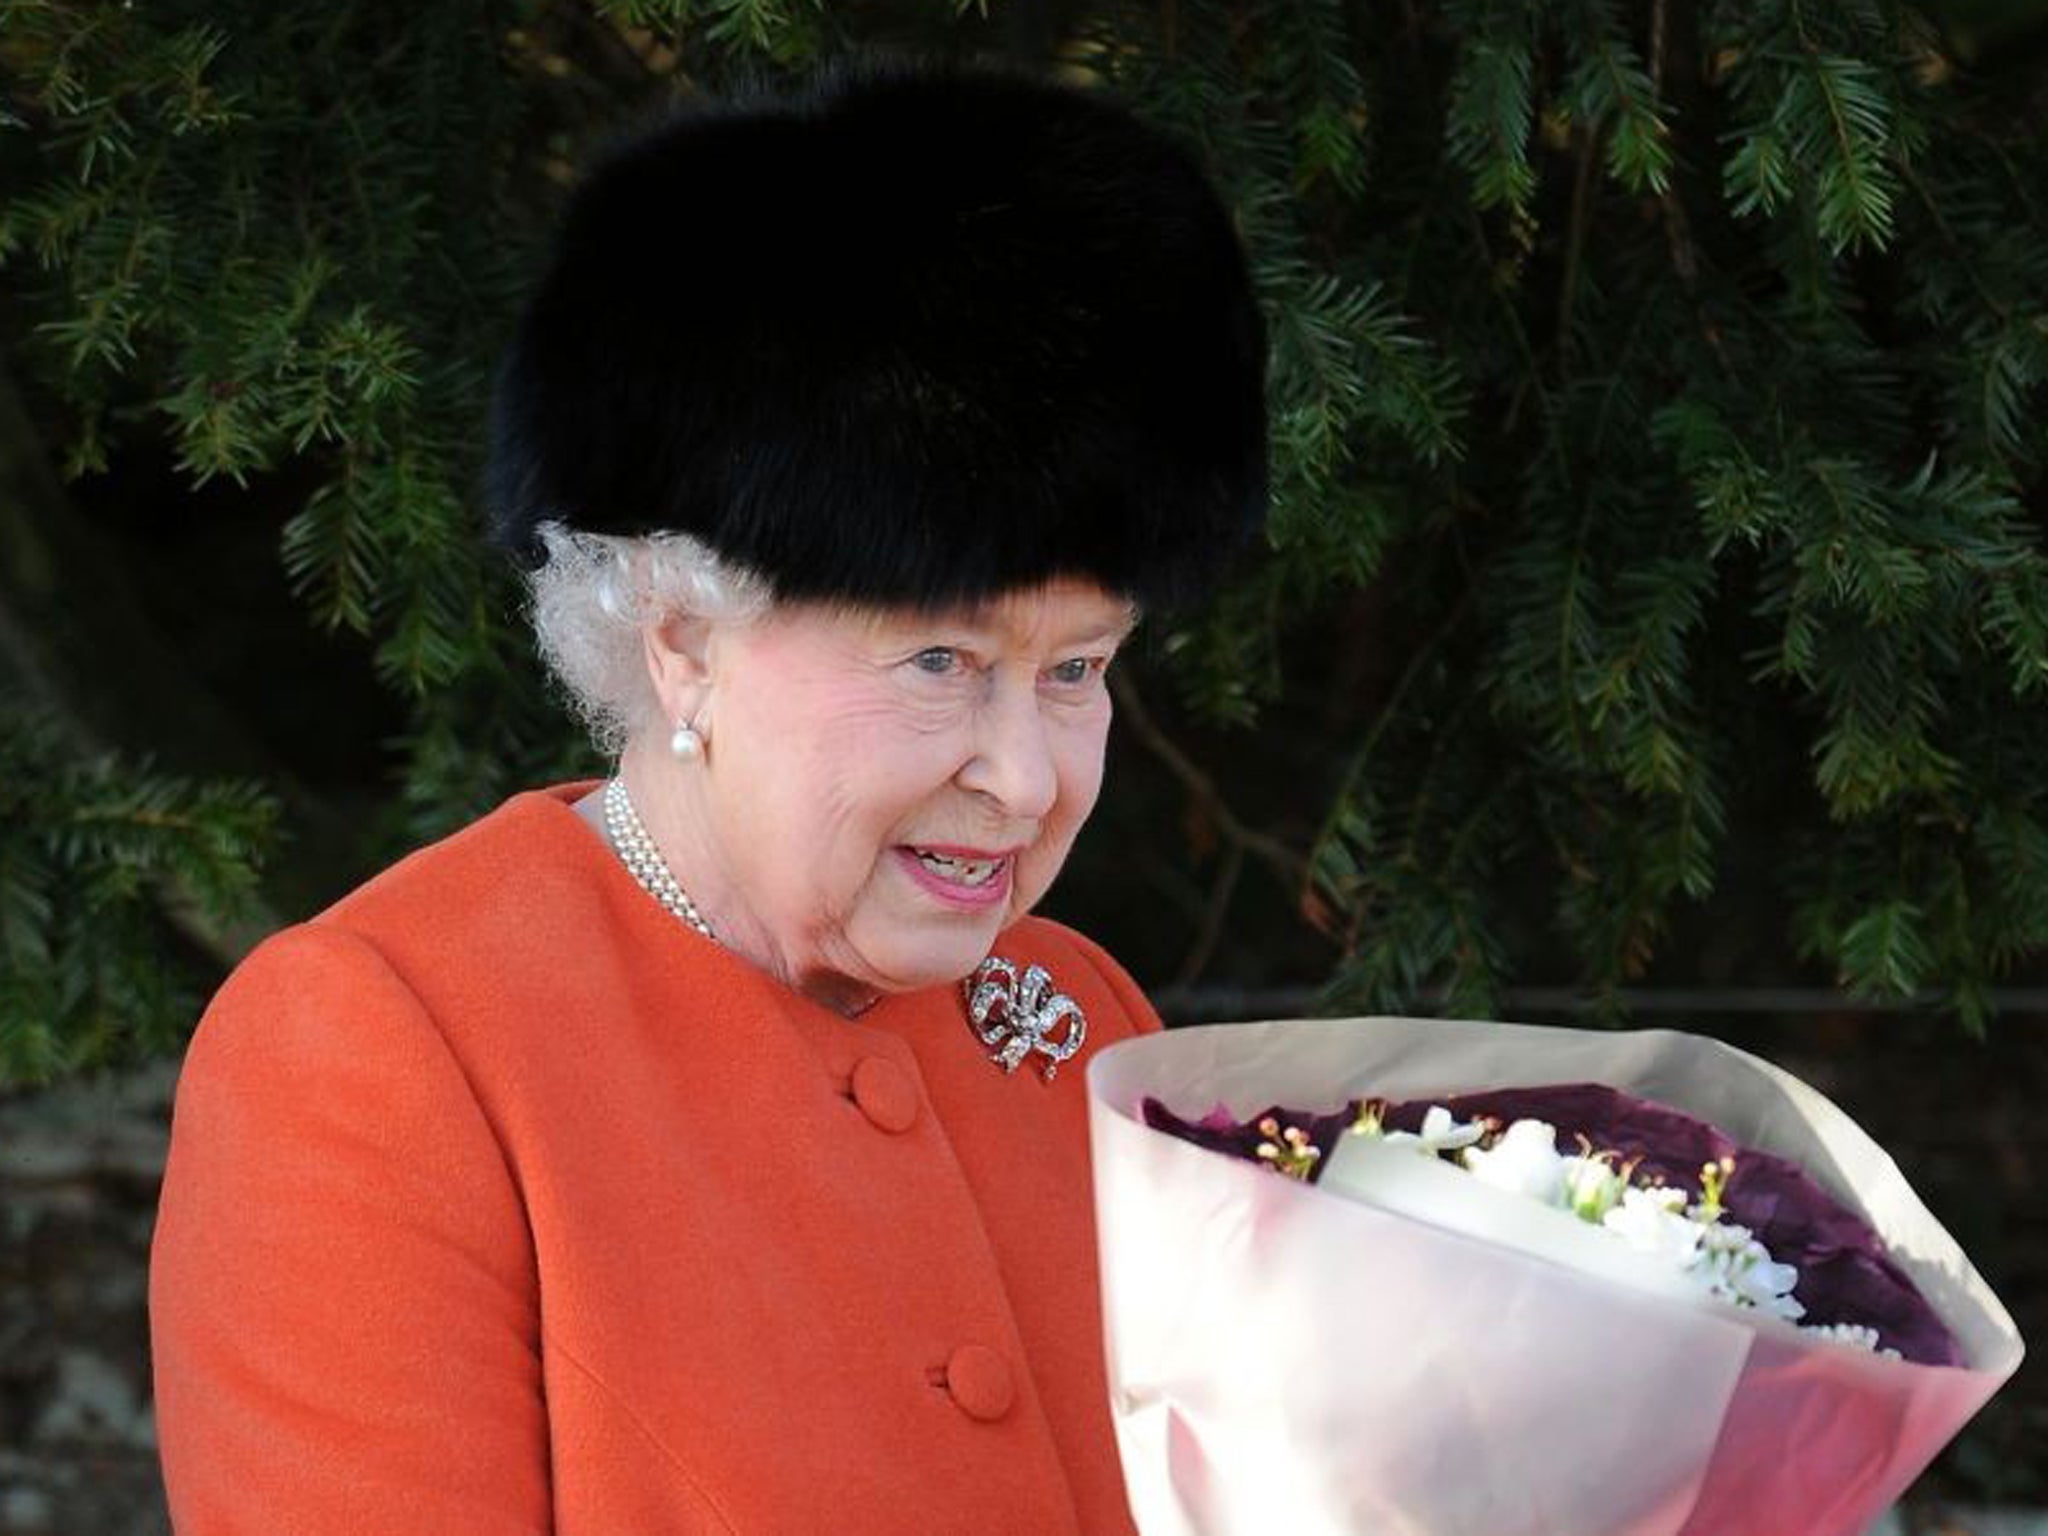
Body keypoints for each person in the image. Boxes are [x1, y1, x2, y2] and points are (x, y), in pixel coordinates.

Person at [149, 57, 1266, 1533]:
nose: (1026, 774)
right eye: (941, 660)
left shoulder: (1089, 1016)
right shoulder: (382, 1053)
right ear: (682, 642)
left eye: (1077, 669)